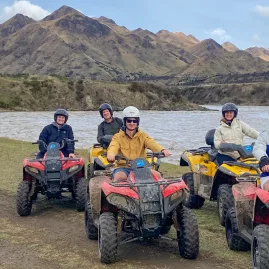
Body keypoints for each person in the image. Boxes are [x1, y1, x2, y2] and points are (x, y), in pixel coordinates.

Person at [107, 106, 171, 181]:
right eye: (129, 121)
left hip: (141, 167)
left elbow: (152, 143)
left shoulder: (143, 136)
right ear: (125, 121)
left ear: (138, 122)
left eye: (135, 121)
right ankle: (117, 192)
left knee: (157, 176)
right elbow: (113, 146)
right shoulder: (117, 137)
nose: (132, 123)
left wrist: (162, 150)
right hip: (124, 168)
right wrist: (111, 154)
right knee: (119, 177)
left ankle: (159, 192)